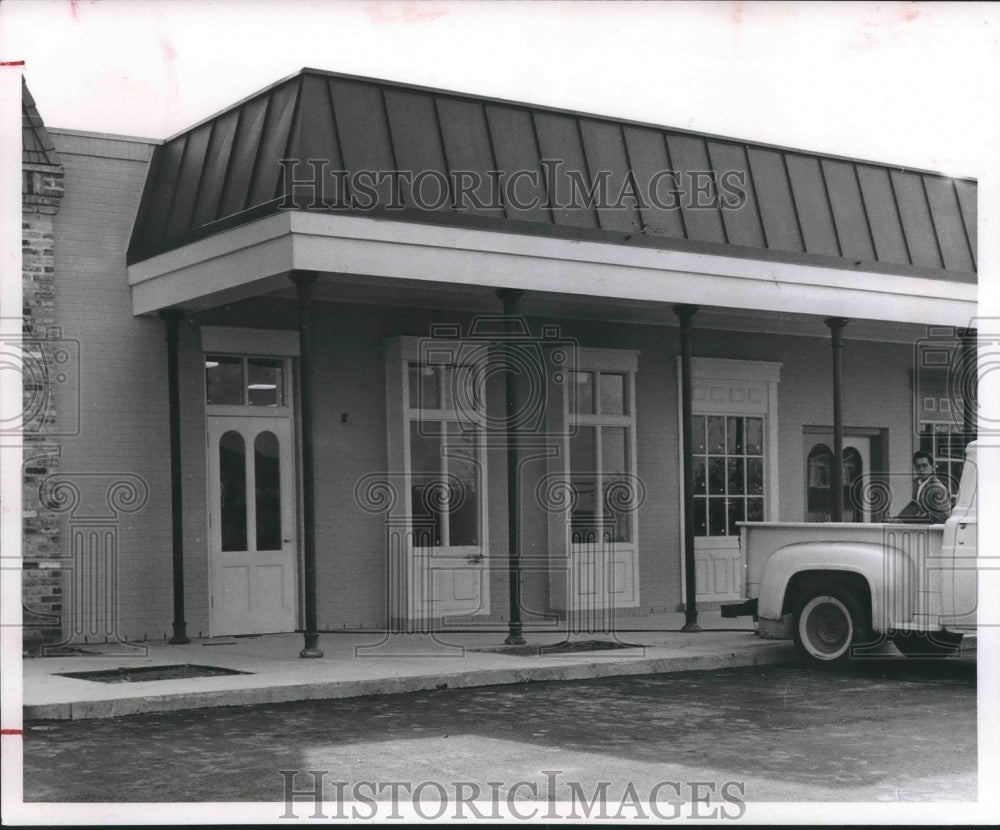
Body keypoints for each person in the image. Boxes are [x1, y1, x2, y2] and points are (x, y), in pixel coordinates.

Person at [892, 451, 952, 523]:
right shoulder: (915, 484)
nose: (921, 470)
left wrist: (907, 520)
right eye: (918, 466)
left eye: (924, 466)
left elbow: (944, 517)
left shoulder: (937, 488)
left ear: (932, 467)